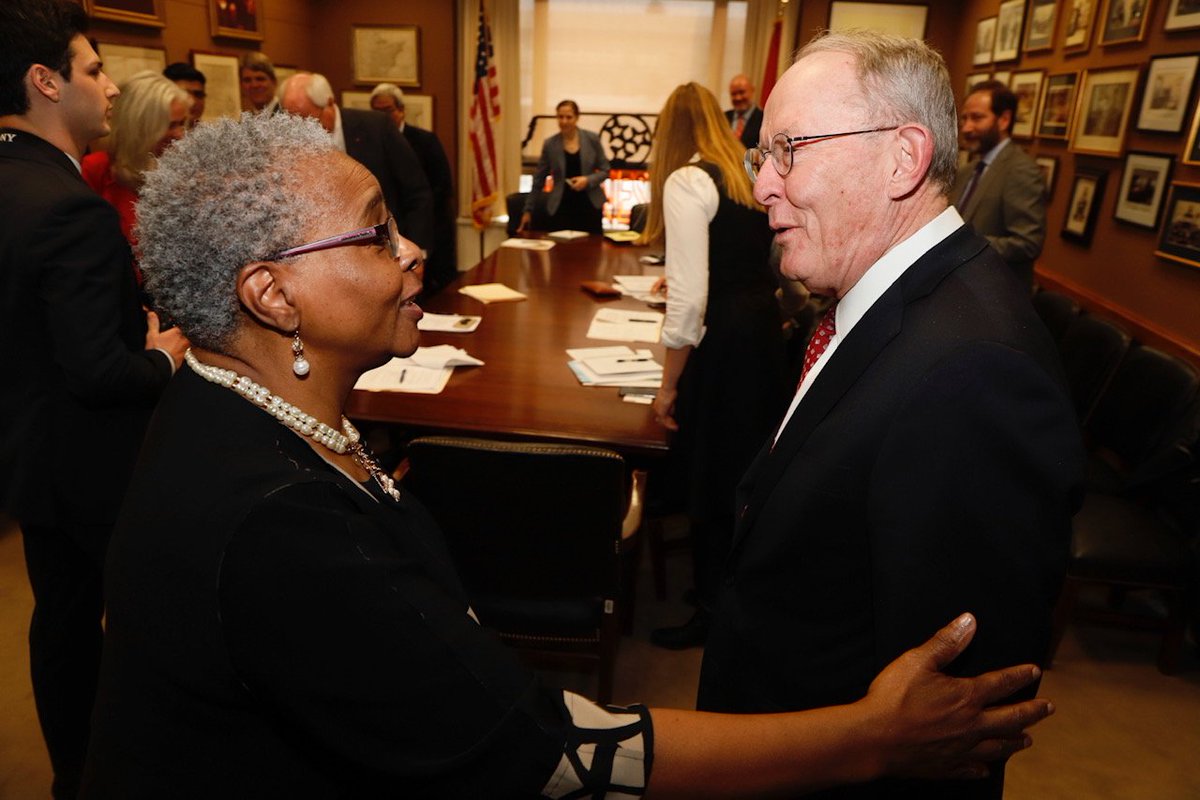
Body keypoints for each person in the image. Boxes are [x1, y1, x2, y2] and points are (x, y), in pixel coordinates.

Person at [78, 110, 1057, 798]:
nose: (416, 249)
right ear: (272, 296)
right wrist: (870, 737)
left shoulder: (239, 413)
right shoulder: (271, 522)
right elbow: (545, 755)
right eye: (377, 233)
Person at [701, 31, 1084, 800]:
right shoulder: (881, 301)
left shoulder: (975, 372)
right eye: (760, 158)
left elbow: (949, 724)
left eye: (790, 150)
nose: (764, 186)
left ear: (903, 158)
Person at [0, 2, 188, 797]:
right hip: (93, 471)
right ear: (46, 82)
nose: (111, 88)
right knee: (139, 632)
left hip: (27, 463)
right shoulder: (72, 208)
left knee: (61, 624)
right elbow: (101, 373)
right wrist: (161, 357)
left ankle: (73, 777)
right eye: (95, 69)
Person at [641, 83, 789, 650]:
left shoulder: (685, 180)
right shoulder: (743, 175)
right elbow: (752, 261)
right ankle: (722, 592)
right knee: (740, 472)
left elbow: (689, 304)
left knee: (710, 475)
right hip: (759, 333)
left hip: (722, 343)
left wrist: (666, 387)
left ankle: (711, 609)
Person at [280, 71, 434, 257]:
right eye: (293, 122)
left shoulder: (377, 127)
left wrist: (418, 251)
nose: (302, 130)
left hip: (389, 247)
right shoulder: (290, 142)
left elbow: (417, 192)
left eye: (308, 120)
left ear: (329, 103)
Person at [82, 70, 189, 268]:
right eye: (169, 125)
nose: (179, 135)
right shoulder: (94, 171)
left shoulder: (188, 174)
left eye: (182, 124)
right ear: (138, 126)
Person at [952, 79, 1046, 287]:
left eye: (977, 118)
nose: (966, 128)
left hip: (994, 296)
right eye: (964, 118)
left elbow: (1027, 244)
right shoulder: (968, 170)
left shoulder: (1020, 170)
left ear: (1004, 120)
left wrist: (962, 242)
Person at [371, 82, 457, 294]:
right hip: (388, 230)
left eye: (388, 110)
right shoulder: (371, 142)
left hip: (429, 227)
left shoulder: (425, 140)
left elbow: (442, 185)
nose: (383, 116)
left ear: (401, 110)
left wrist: (419, 220)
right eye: (377, 111)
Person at [518, 99, 610, 235]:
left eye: (569, 117)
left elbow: (605, 170)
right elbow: (539, 179)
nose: (564, 121)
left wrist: (587, 180)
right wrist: (528, 210)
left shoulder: (592, 139)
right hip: (561, 206)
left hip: (589, 205)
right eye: (560, 117)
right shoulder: (550, 144)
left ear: (577, 118)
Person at [163, 61, 206, 128]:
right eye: (184, 94)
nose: (193, 102)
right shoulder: (151, 136)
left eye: (198, 95)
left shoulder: (212, 136)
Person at [725, 73, 763, 149]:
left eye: (741, 92)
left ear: (752, 90)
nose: (738, 98)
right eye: (734, 94)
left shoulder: (763, 119)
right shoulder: (723, 117)